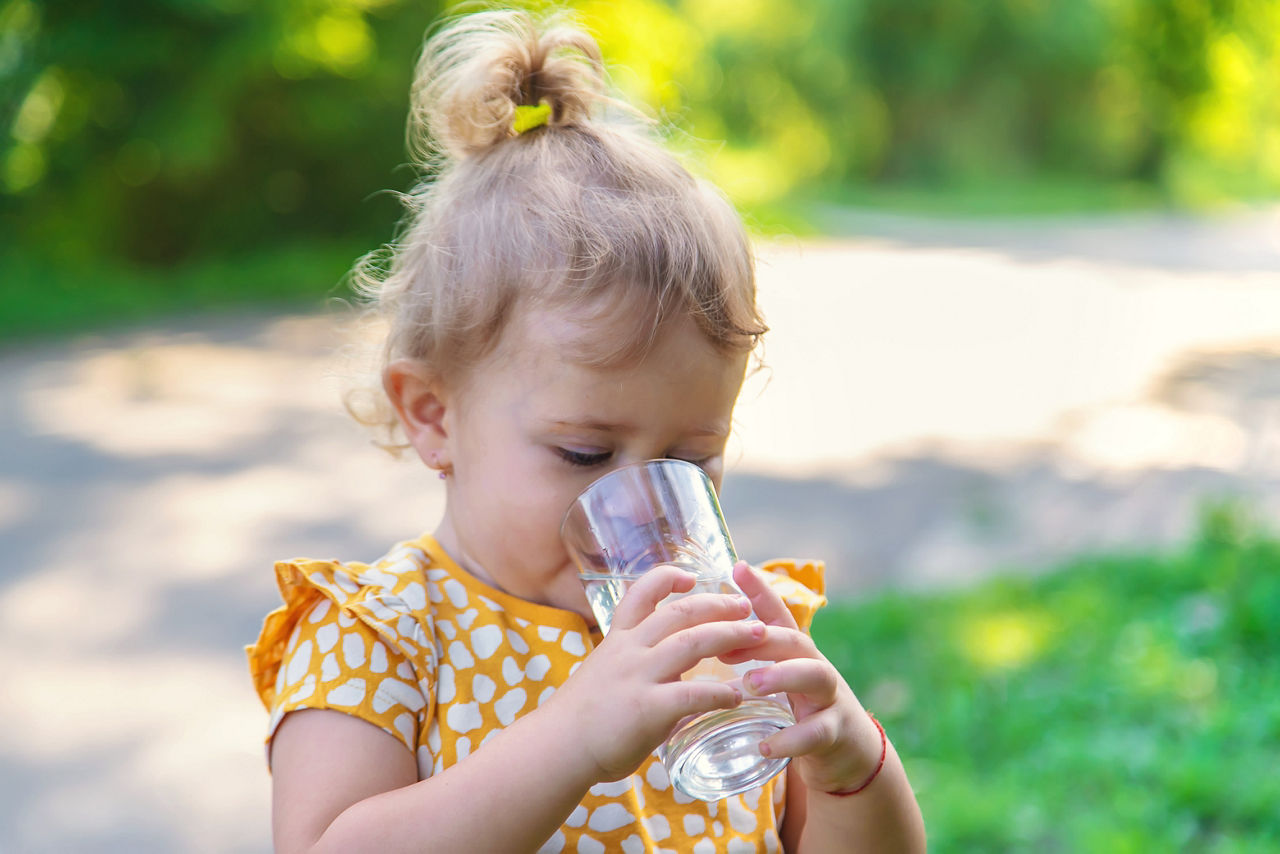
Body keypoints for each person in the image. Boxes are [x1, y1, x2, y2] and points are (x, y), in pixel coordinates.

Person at [247, 8, 925, 852]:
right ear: (433, 414)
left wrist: (852, 769)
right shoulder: (385, 637)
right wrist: (571, 739)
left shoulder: (727, 636)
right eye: (584, 454)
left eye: (691, 459)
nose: (644, 510)